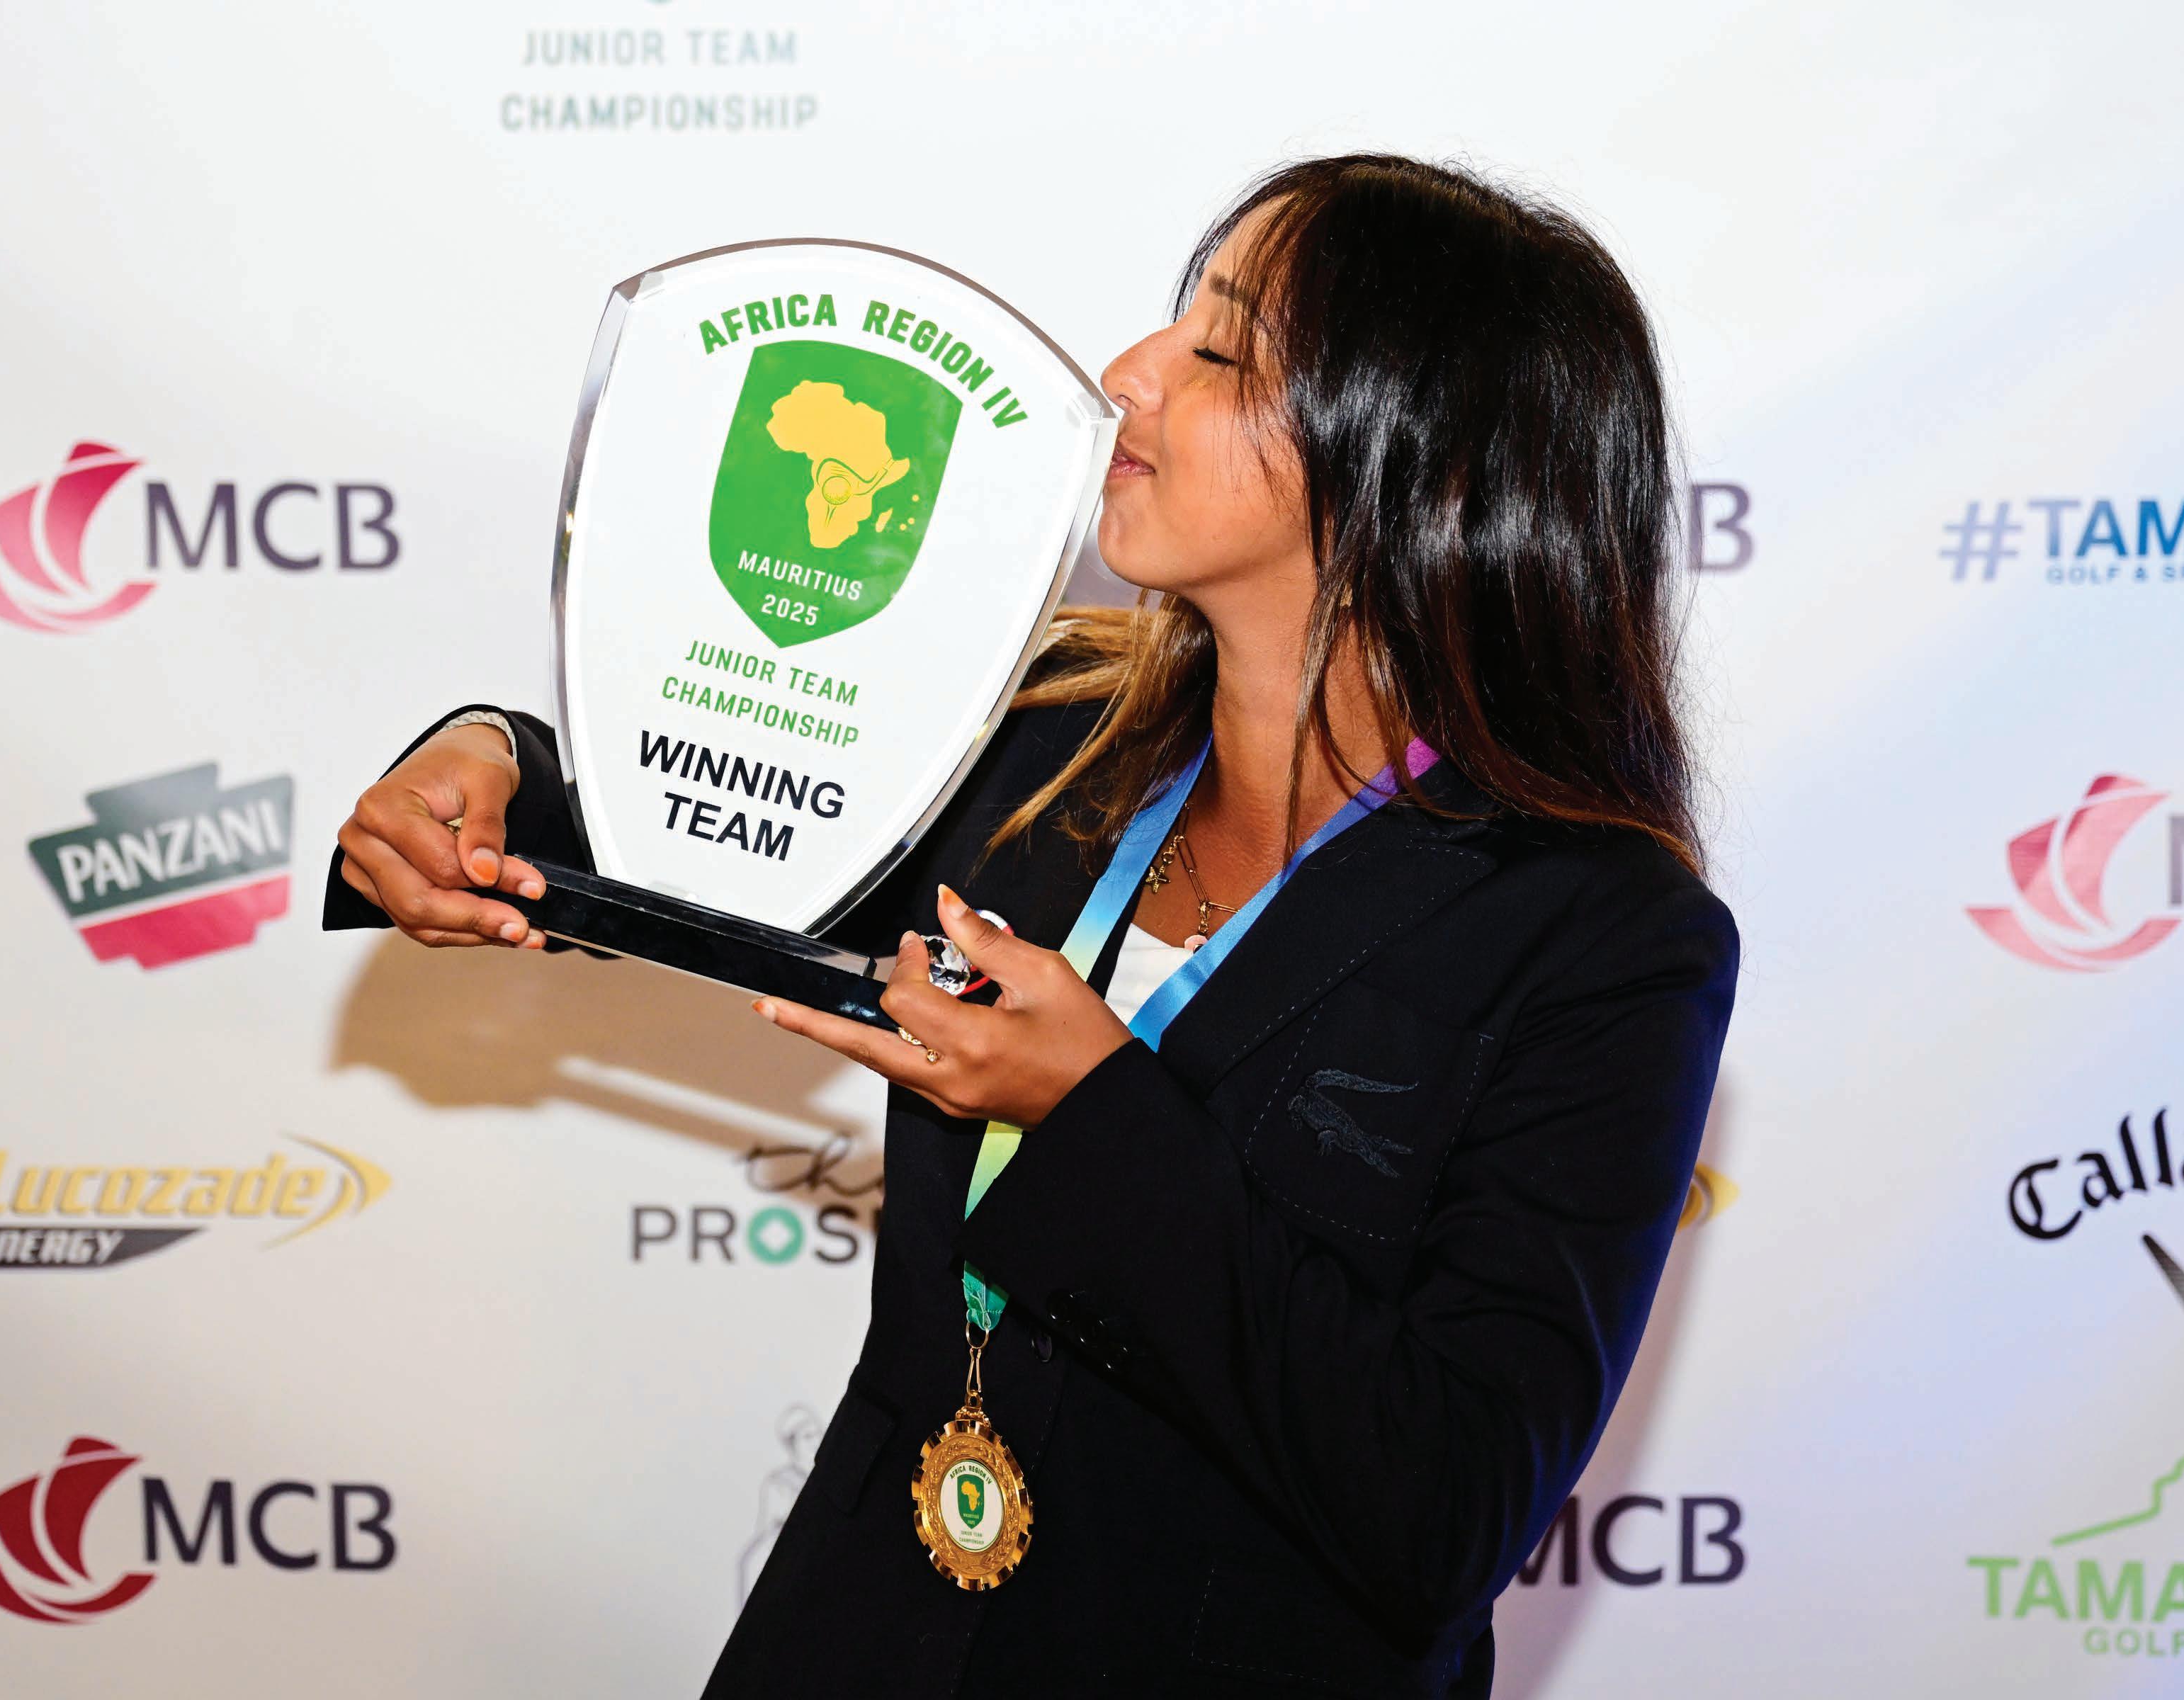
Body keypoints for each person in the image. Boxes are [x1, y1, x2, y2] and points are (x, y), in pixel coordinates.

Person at [327, 153, 1738, 1699]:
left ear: (1430, 464)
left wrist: (1095, 1112)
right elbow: (702, 837)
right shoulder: (1042, 742)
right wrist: (486, 769)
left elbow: (1445, 1502)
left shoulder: (1604, 939)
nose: (1128, 376)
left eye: (1223, 352)